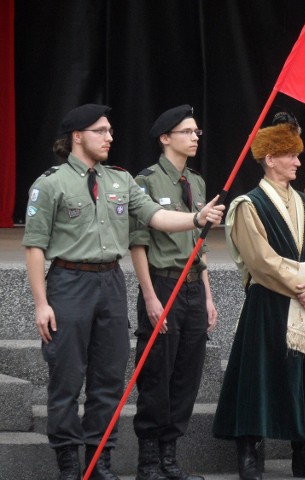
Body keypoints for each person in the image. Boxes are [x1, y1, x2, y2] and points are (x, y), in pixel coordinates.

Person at [22, 104, 225, 480]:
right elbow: (34, 246)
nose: (110, 137)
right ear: (77, 136)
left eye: (110, 130)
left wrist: (196, 219)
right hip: (69, 283)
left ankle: (99, 460)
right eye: (101, 131)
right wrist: (40, 303)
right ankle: (68, 464)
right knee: (67, 378)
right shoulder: (50, 184)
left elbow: (155, 217)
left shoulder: (120, 180)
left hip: (110, 281)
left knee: (109, 378)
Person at [212, 113, 305, 480]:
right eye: (291, 156)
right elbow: (261, 260)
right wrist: (302, 285)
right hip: (269, 303)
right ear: (271, 159)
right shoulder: (248, 205)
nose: (299, 162)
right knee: (259, 375)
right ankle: (250, 456)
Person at [129, 105, 216, 480]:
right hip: (163, 283)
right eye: (187, 132)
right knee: (157, 373)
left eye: (197, 132)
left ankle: (170, 456)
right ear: (166, 138)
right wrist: (149, 296)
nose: (195, 137)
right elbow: (138, 244)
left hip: (193, 286)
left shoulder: (196, 182)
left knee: (187, 374)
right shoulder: (144, 181)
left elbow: (201, 245)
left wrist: (210, 296)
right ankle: (148, 459)